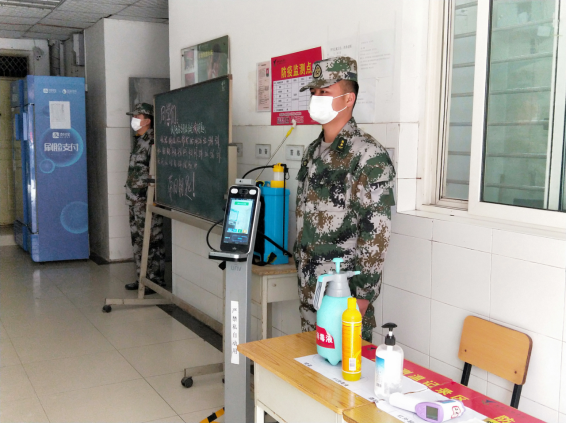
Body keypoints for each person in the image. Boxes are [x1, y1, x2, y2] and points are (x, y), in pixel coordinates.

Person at [293, 57, 396, 342]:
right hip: (310, 287)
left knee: (344, 367)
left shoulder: (368, 155)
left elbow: (377, 232)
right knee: (309, 363)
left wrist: (363, 296)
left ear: (348, 99)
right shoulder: (312, 151)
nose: (316, 98)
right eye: (314, 92)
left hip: (344, 295)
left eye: (324, 92)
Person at [124, 103, 165, 295]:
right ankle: (142, 278)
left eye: (137, 116)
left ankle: (155, 280)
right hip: (134, 200)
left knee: (152, 239)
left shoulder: (153, 141)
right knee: (138, 240)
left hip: (146, 200)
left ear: (147, 120)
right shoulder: (139, 140)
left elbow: (158, 172)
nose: (133, 120)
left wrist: (153, 198)